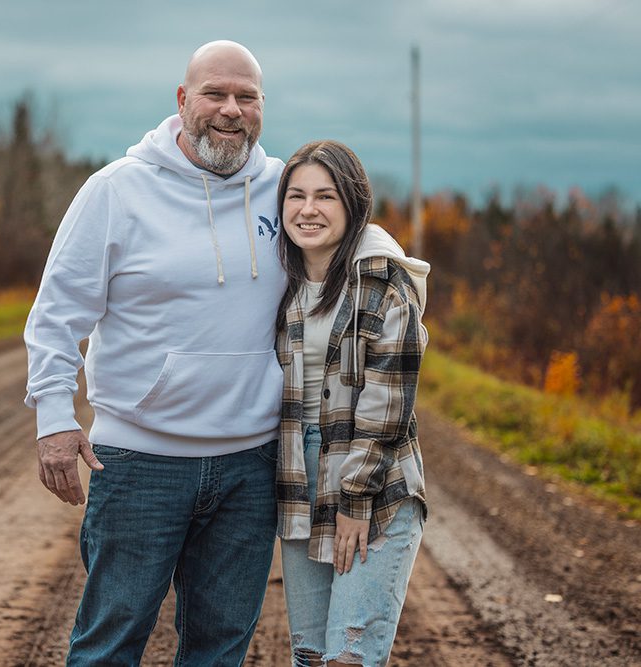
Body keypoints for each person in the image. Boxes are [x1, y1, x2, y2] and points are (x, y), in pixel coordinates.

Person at [24, 41, 286, 665]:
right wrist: (55, 420)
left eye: (246, 97)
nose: (230, 110)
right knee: (109, 646)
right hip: (138, 464)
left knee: (220, 649)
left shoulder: (283, 189)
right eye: (215, 94)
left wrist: (394, 267)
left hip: (250, 468)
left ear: (261, 107)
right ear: (182, 100)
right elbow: (57, 313)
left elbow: (348, 227)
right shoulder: (116, 191)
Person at [273, 140, 430, 667]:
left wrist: (354, 500)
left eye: (325, 196)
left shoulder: (385, 279)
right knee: (310, 657)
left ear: (353, 204)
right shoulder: (283, 281)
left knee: (350, 658)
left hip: (375, 482)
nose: (308, 210)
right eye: (296, 196)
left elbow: (389, 406)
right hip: (300, 480)